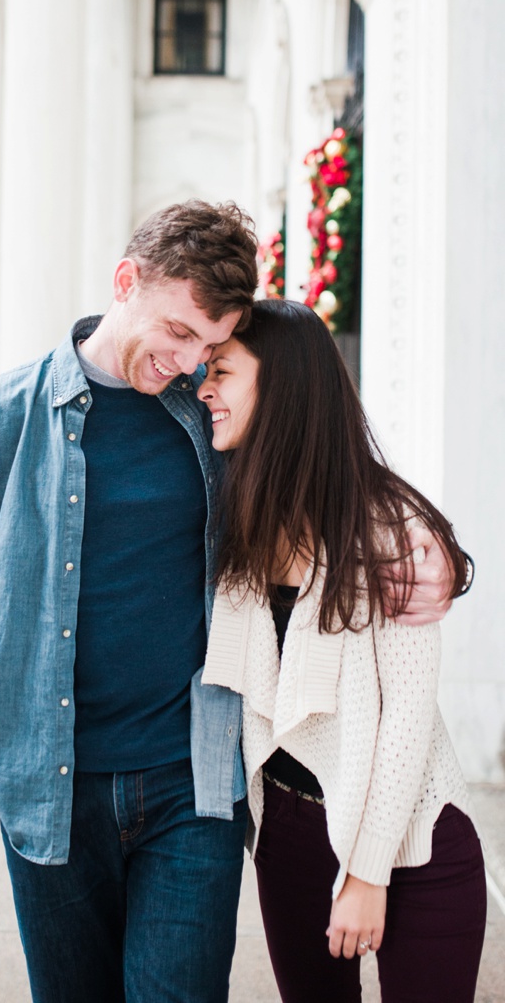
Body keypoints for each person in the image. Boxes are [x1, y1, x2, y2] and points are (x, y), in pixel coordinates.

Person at [0, 200, 456, 1003]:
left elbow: (330, 476)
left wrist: (436, 554)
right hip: (53, 790)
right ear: (127, 282)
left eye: (212, 346)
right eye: (180, 332)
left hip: (194, 785)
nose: (191, 361)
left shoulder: (216, 416)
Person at [197, 299, 484, 1002]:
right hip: (290, 830)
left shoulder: (387, 528)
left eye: (223, 372)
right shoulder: (231, 513)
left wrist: (366, 874)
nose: (203, 387)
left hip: (413, 832)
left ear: (284, 389)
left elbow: (406, 724)